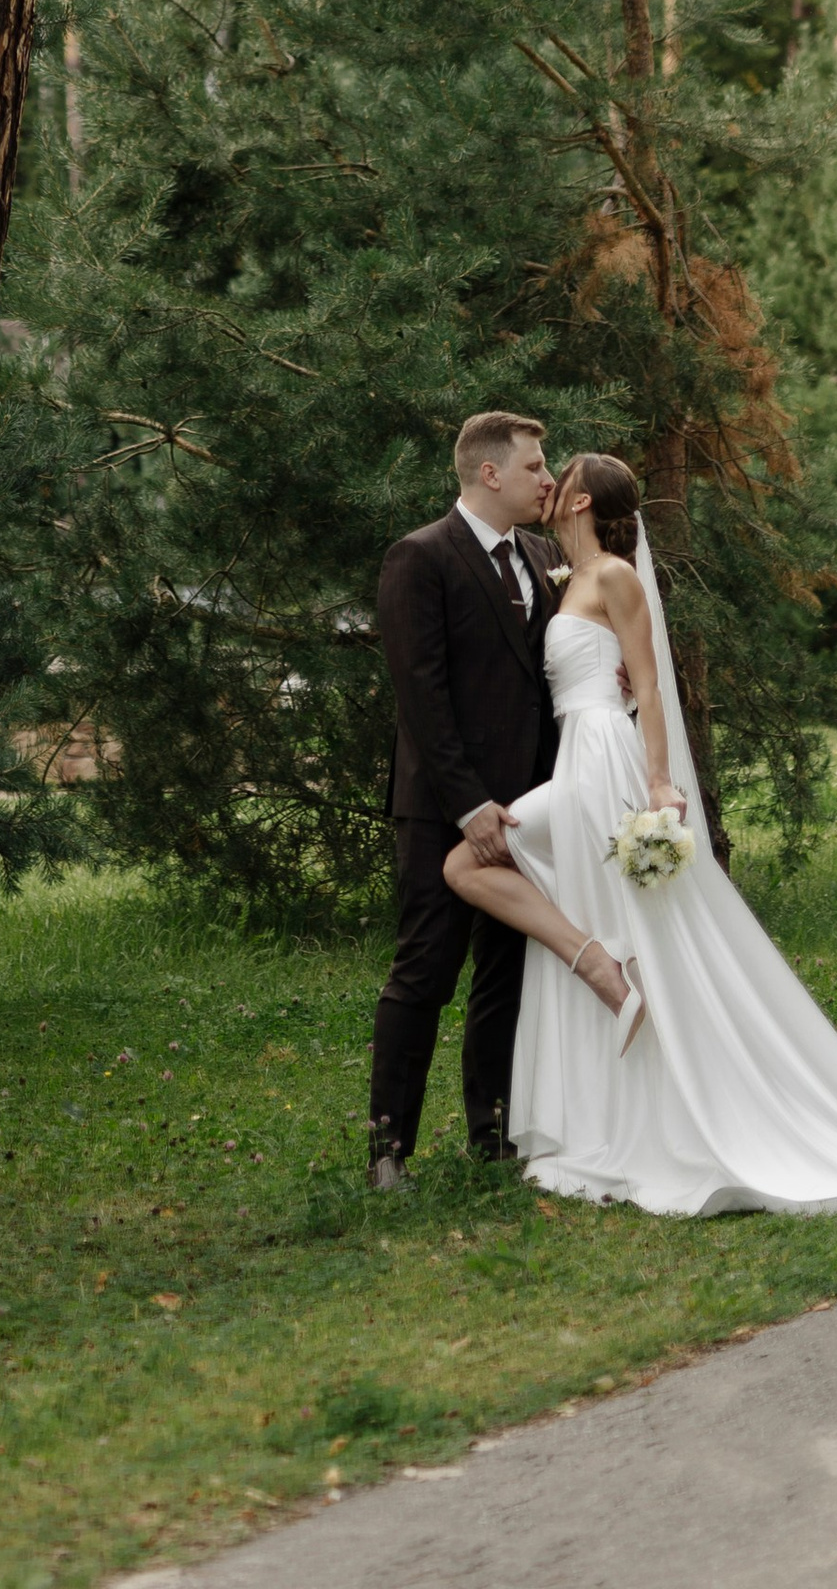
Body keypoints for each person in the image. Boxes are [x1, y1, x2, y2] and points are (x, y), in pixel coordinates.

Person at [441, 450, 837, 1216]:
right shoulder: (563, 581)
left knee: (488, 872)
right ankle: (600, 980)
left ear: (578, 501)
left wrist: (662, 782)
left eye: (554, 475)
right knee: (499, 876)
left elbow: (653, 682)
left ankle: (627, 1005)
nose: (545, 483)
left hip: (606, 761)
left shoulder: (613, 577)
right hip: (577, 756)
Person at [367, 409, 568, 1185]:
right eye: (534, 466)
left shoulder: (546, 555)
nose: (547, 479)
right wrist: (468, 805)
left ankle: (493, 1131)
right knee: (426, 969)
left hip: (532, 807)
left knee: (508, 971)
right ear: (489, 473)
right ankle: (389, 1149)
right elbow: (421, 695)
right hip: (443, 810)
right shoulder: (419, 558)